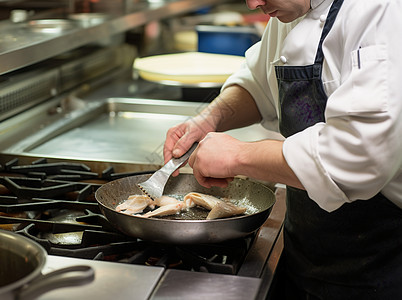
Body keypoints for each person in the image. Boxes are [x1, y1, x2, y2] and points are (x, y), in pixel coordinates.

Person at [163, 0, 402, 298]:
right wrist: (210, 118)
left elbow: (360, 157)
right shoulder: (289, 9)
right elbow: (259, 84)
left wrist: (238, 156)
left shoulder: (381, 11)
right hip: (306, 249)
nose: (254, 3)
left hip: (384, 264)